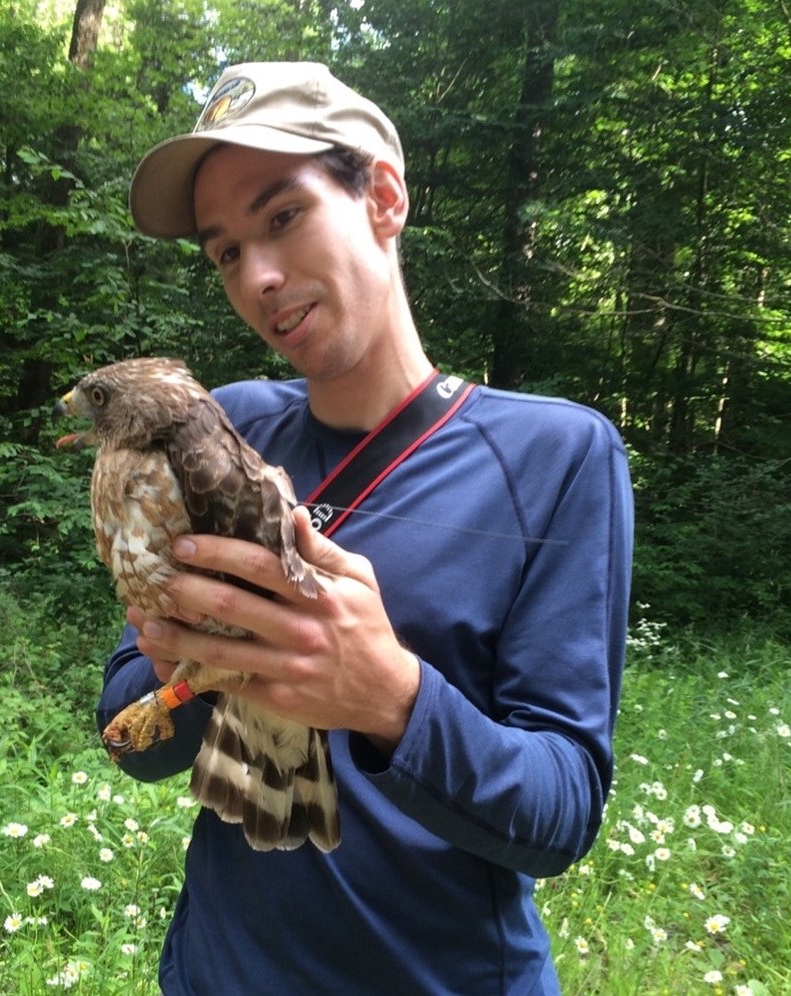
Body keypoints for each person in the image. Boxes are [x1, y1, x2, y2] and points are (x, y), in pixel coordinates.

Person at [98, 61, 633, 995]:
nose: (258, 275)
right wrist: (178, 656)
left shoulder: (555, 455)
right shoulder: (221, 424)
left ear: (383, 196)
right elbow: (125, 727)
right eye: (226, 251)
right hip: (220, 974)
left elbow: (563, 810)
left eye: (283, 216)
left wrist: (391, 699)